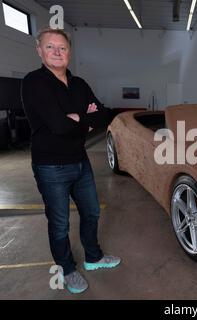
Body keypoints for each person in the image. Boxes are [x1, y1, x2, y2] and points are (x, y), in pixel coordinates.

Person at [21, 28, 120, 294]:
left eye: (62, 48)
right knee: (59, 223)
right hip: (50, 165)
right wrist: (81, 121)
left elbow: (102, 116)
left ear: (69, 53)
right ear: (39, 50)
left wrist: (79, 119)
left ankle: (93, 257)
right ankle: (66, 269)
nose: (56, 52)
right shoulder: (34, 82)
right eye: (50, 47)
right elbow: (57, 125)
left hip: (80, 161)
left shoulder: (79, 84)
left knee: (91, 212)